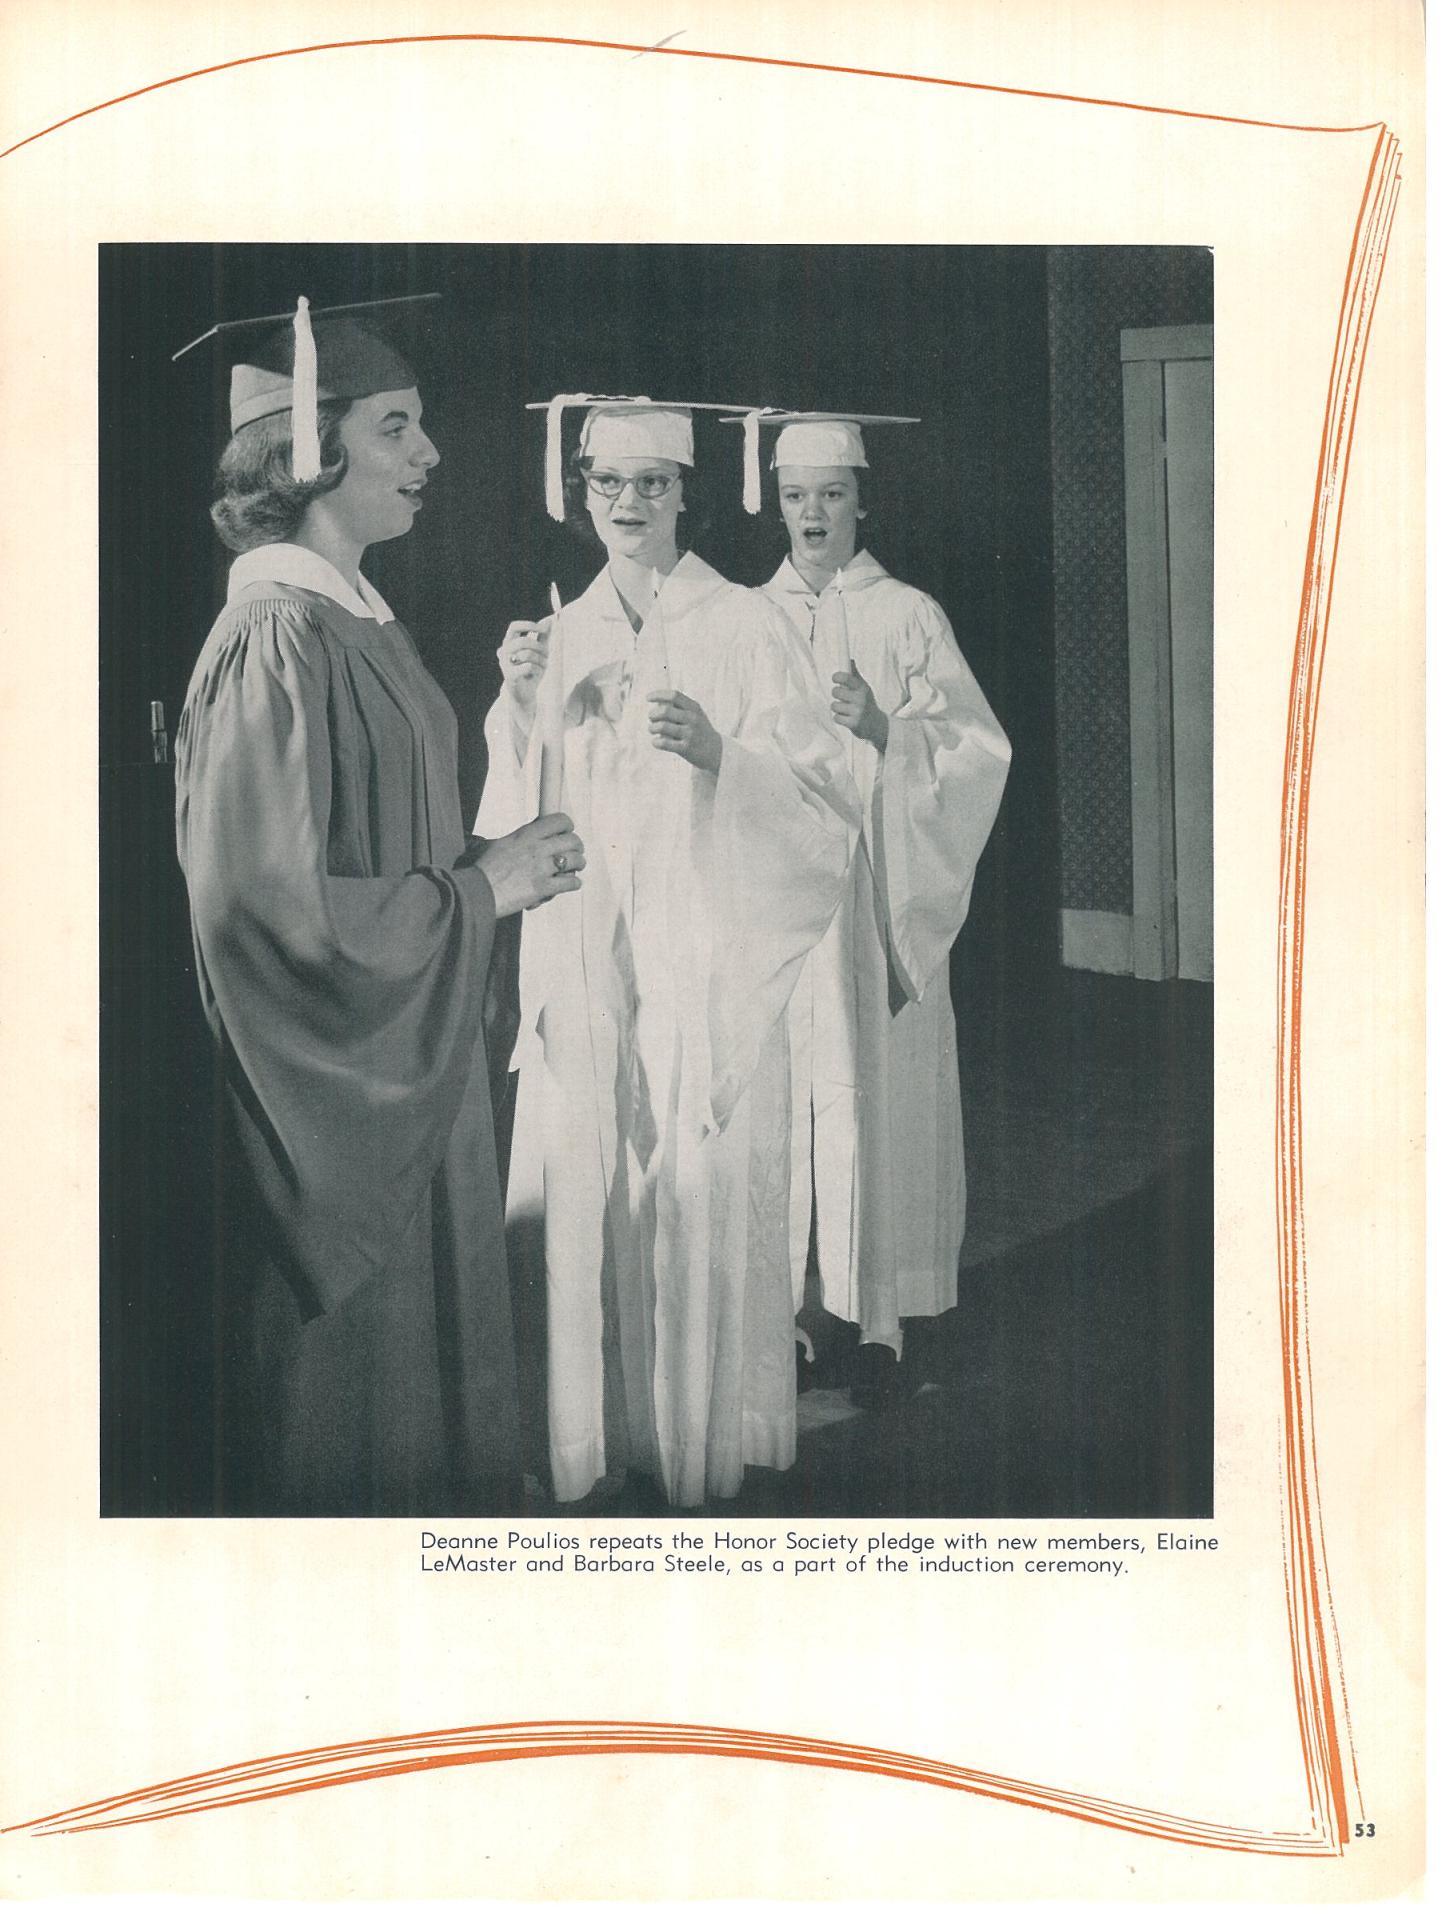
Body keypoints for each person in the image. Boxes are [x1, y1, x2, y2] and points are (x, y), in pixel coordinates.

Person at [172, 296, 584, 1516]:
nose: (430, 453)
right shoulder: (272, 637)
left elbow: (374, 840)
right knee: (358, 1400)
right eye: (396, 428)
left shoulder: (354, 621)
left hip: (412, 1044)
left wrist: (484, 863)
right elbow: (263, 912)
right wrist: (477, 893)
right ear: (308, 450)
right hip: (341, 1096)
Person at [477, 397, 859, 1508]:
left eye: (653, 483)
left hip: (704, 957)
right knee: (588, 1181)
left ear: (688, 493)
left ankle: (696, 1440)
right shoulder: (563, 633)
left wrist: (722, 756)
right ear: (582, 493)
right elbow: (508, 813)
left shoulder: (744, 624)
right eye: (609, 483)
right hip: (589, 952)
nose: (630, 503)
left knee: (693, 1177)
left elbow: (822, 806)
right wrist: (520, 705)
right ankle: (594, 1440)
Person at [733, 409, 1011, 1400]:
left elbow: (976, 750)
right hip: (781, 902)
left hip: (876, 895)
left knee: (875, 1095)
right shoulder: (744, 617)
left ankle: (880, 1315)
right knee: (783, 1103)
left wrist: (888, 728)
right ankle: (785, 1314)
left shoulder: (907, 615)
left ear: (862, 501)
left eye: (832, 494)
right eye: (795, 495)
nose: (812, 514)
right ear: (775, 502)